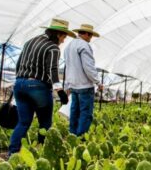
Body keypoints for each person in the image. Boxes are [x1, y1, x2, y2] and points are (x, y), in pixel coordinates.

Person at [8, 18, 74, 155]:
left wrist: (20, 80)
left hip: (19, 84)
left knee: (23, 122)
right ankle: (42, 153)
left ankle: (12, 154)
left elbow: (18, 64)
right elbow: (53, 69)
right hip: (38, 86)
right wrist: (59, 90)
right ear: (58, 34)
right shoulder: (53, 47)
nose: (63, 41)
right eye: (64, 37)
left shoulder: (29, 42)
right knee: (45, 123)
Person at [64, 24, 103, 136]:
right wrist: (98, 82)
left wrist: (67, 85)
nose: (90, 38)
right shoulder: (84, 45)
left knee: (74, 111)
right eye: (90, 35)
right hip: (85, 86)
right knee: (85, 113)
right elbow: (88, 67)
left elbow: (68, 66)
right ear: (85, 34)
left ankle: (72, 135)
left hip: (73, 85)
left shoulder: (69, 46)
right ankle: (80, 137)